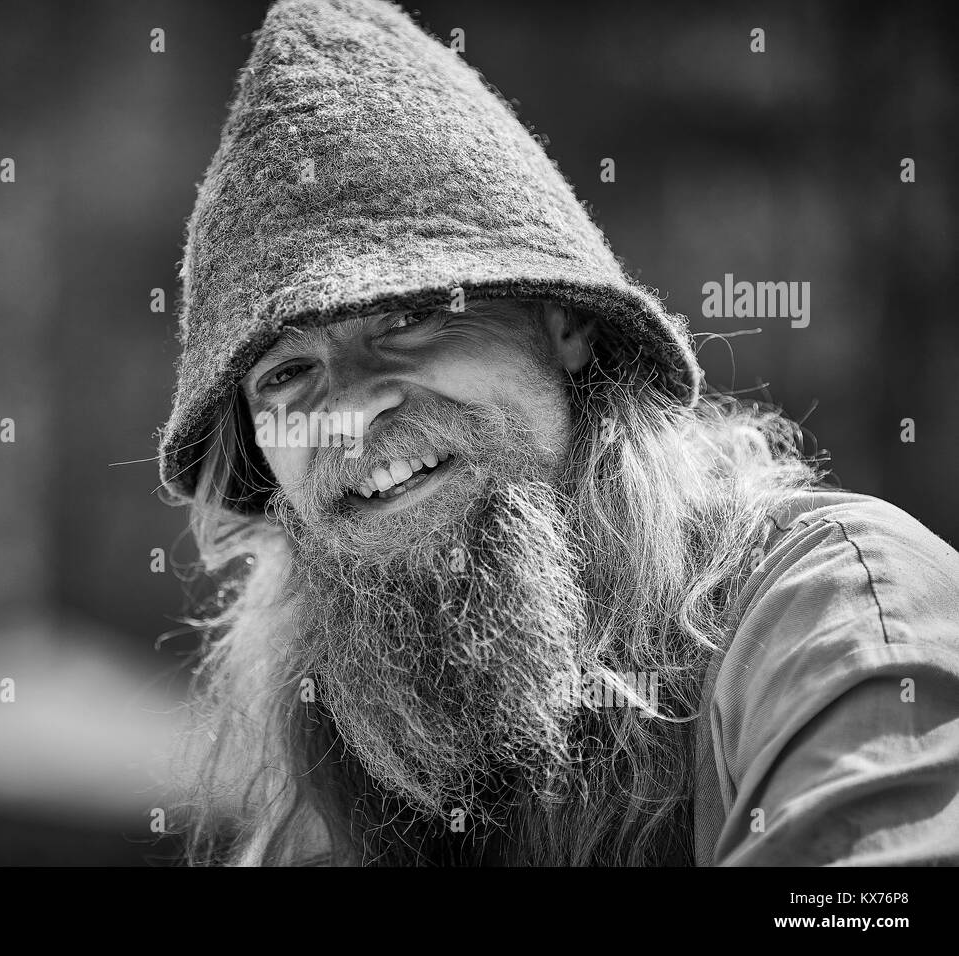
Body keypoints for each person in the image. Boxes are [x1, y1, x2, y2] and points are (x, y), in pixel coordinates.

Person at [154, 0, 959, 865]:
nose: (352, 410)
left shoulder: (838, 610)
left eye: (411, 317)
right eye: (286, 375)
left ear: (564, 325)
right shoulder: (344, 756)